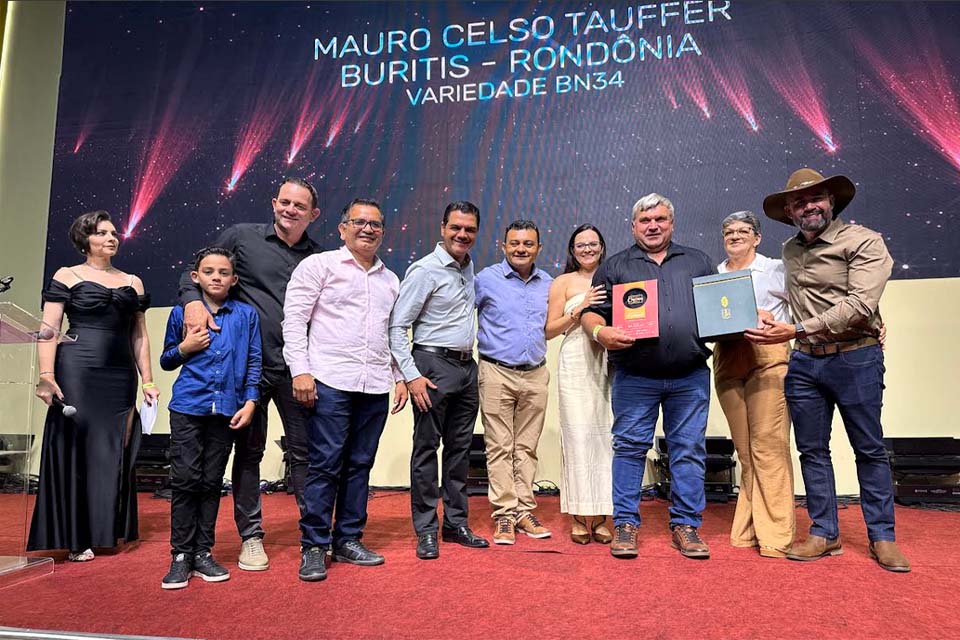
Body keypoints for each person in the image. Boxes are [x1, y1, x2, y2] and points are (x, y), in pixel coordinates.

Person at [746, 168, 910, 572]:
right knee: (812, 451)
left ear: (831, 201)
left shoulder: (864, 241)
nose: (809, 206)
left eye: (816, 198)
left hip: (856, 357)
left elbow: (859, 305)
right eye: (799, 202)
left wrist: (797, 328)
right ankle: (824, 532)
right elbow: (792, 302)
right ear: (789, 211)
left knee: (868, 449)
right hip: (804, 361)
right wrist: (771, 321)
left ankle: (883, 537)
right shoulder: (789, 250)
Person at [178, 176, 320, 571]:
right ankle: (251, 537)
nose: (290, 210)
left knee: (306, 455)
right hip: (246, 373)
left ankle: (314, 537)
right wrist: (192, 301)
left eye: (299, 205)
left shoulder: (319, 257)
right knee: (248, 453)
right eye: (285, 202)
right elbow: (198, 271)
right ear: (274, 202)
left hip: (298, 371)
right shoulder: (241, 237)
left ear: (313, 214)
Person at [580, 194, 715, 560]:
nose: (653, 226)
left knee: (688, 450)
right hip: (635, 377)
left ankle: (686, 525)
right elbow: (591, 313)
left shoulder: (699, 261)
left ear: (671, 222)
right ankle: (625, 524)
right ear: (633, 226)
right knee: (629, 449)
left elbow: (720, 311)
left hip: (689, 376)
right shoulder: (615, 266)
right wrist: (600, 333)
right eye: (645, 221)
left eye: (660, 219)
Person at [282, 198, 408, 582]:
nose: (368, 229)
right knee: (325, 465)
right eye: (359, 222)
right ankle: (314, 545)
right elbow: (294, 321)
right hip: (329, 381)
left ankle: (349, 538)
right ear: (342, 228)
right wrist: (300, 372)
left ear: (383, 231)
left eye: (375, 224)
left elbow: (391, 335)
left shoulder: (390, 279)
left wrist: (399, 375)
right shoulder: (319, 266)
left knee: (360, 465)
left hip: (375, 385)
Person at [29, 211, 158, 561]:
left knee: (112, 449)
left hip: (119, 376)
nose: (111, 238)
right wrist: (46, 375)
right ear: (85, 239)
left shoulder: (133, 281)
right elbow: (48, 329)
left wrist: (147, 380)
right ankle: (75, 536)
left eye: (114, 233)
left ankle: (106, 529)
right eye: (102, 233)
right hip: (77, 370)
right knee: (78, 447)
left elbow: (139, 335)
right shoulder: (67, 275)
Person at [389, 201, 489, 559]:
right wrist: (410, 375)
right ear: (442, 228)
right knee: (427, 449)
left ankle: (456, 523)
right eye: (456, 228)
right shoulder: (425, 271)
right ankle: (427, 529)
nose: (462, 235)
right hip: (431, 366)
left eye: (470, 230)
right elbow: (398, 326)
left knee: (460, 451)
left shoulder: (467, 268)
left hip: (466, 368)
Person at [159, 247, 262, 589]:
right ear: (195, 277)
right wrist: (185, 348)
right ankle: (180, 555)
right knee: (186, 479)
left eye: (223, 272)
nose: (216, 277)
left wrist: (250, 400)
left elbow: (254, 362)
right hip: (189, 407)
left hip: (228, 410)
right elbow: (167, 360)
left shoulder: (246, 316)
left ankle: (203, 552)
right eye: (208, 271)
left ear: (233, 280)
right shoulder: (181, 314)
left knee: (211, 481)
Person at [713, 211, 795, 558]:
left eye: (743, 231)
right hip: (729, 358)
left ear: (757, 237)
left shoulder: (776, 268)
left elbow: (803, 310)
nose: (735, 236)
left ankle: (776, 536)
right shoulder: (714, 275)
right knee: (746, 452)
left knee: (769, 447)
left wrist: (775, 319)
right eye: (728, 231)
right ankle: (747, 530)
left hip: (769, 356)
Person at [475, 220, 553, 544]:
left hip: (535, 374)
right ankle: (504, 514)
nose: (521, 248)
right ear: (503, 246)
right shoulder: (484, 280)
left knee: (526, 448)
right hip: (496, 372)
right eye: (515, 243)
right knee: (499, 447)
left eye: (528, 243)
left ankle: (524, 511)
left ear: (538, 248)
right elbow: (462, 315)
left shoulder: (548, 283)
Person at [545, 224, 614, 545]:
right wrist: (580, 308)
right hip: (574, 362)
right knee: (576, 436)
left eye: (593, 244)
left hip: (608, 360)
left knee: (606, 438)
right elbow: (549, 330)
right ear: (572, 251)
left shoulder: (615, 274)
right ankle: (576, 515)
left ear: (601, 246)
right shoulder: (563, 282)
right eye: (580, 245)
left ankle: (601, 517)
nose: (587, 249)